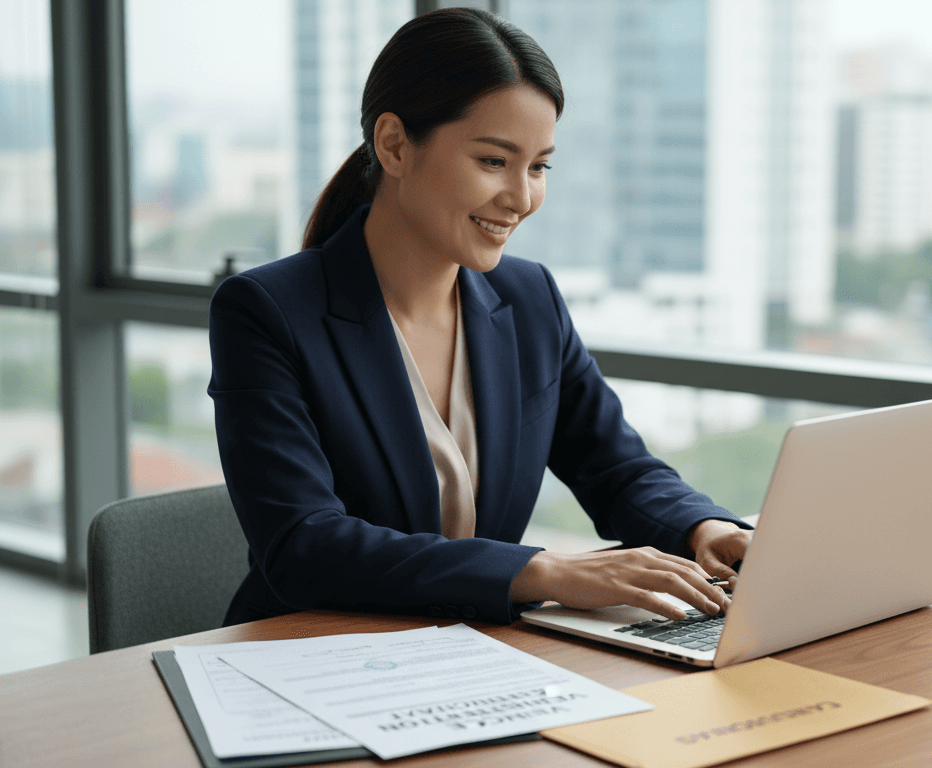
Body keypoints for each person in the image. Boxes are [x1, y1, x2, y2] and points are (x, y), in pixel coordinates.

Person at [209, 7, 751, 628]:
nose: (521, 198)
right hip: (310, 657)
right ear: (394, 145)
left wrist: (702, 525)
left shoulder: (529, 299)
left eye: (539, 165)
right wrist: (542, 572)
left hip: (480, 655)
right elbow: (305, 545)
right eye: (494, 161)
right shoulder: (267, 312)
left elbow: (615, 465)